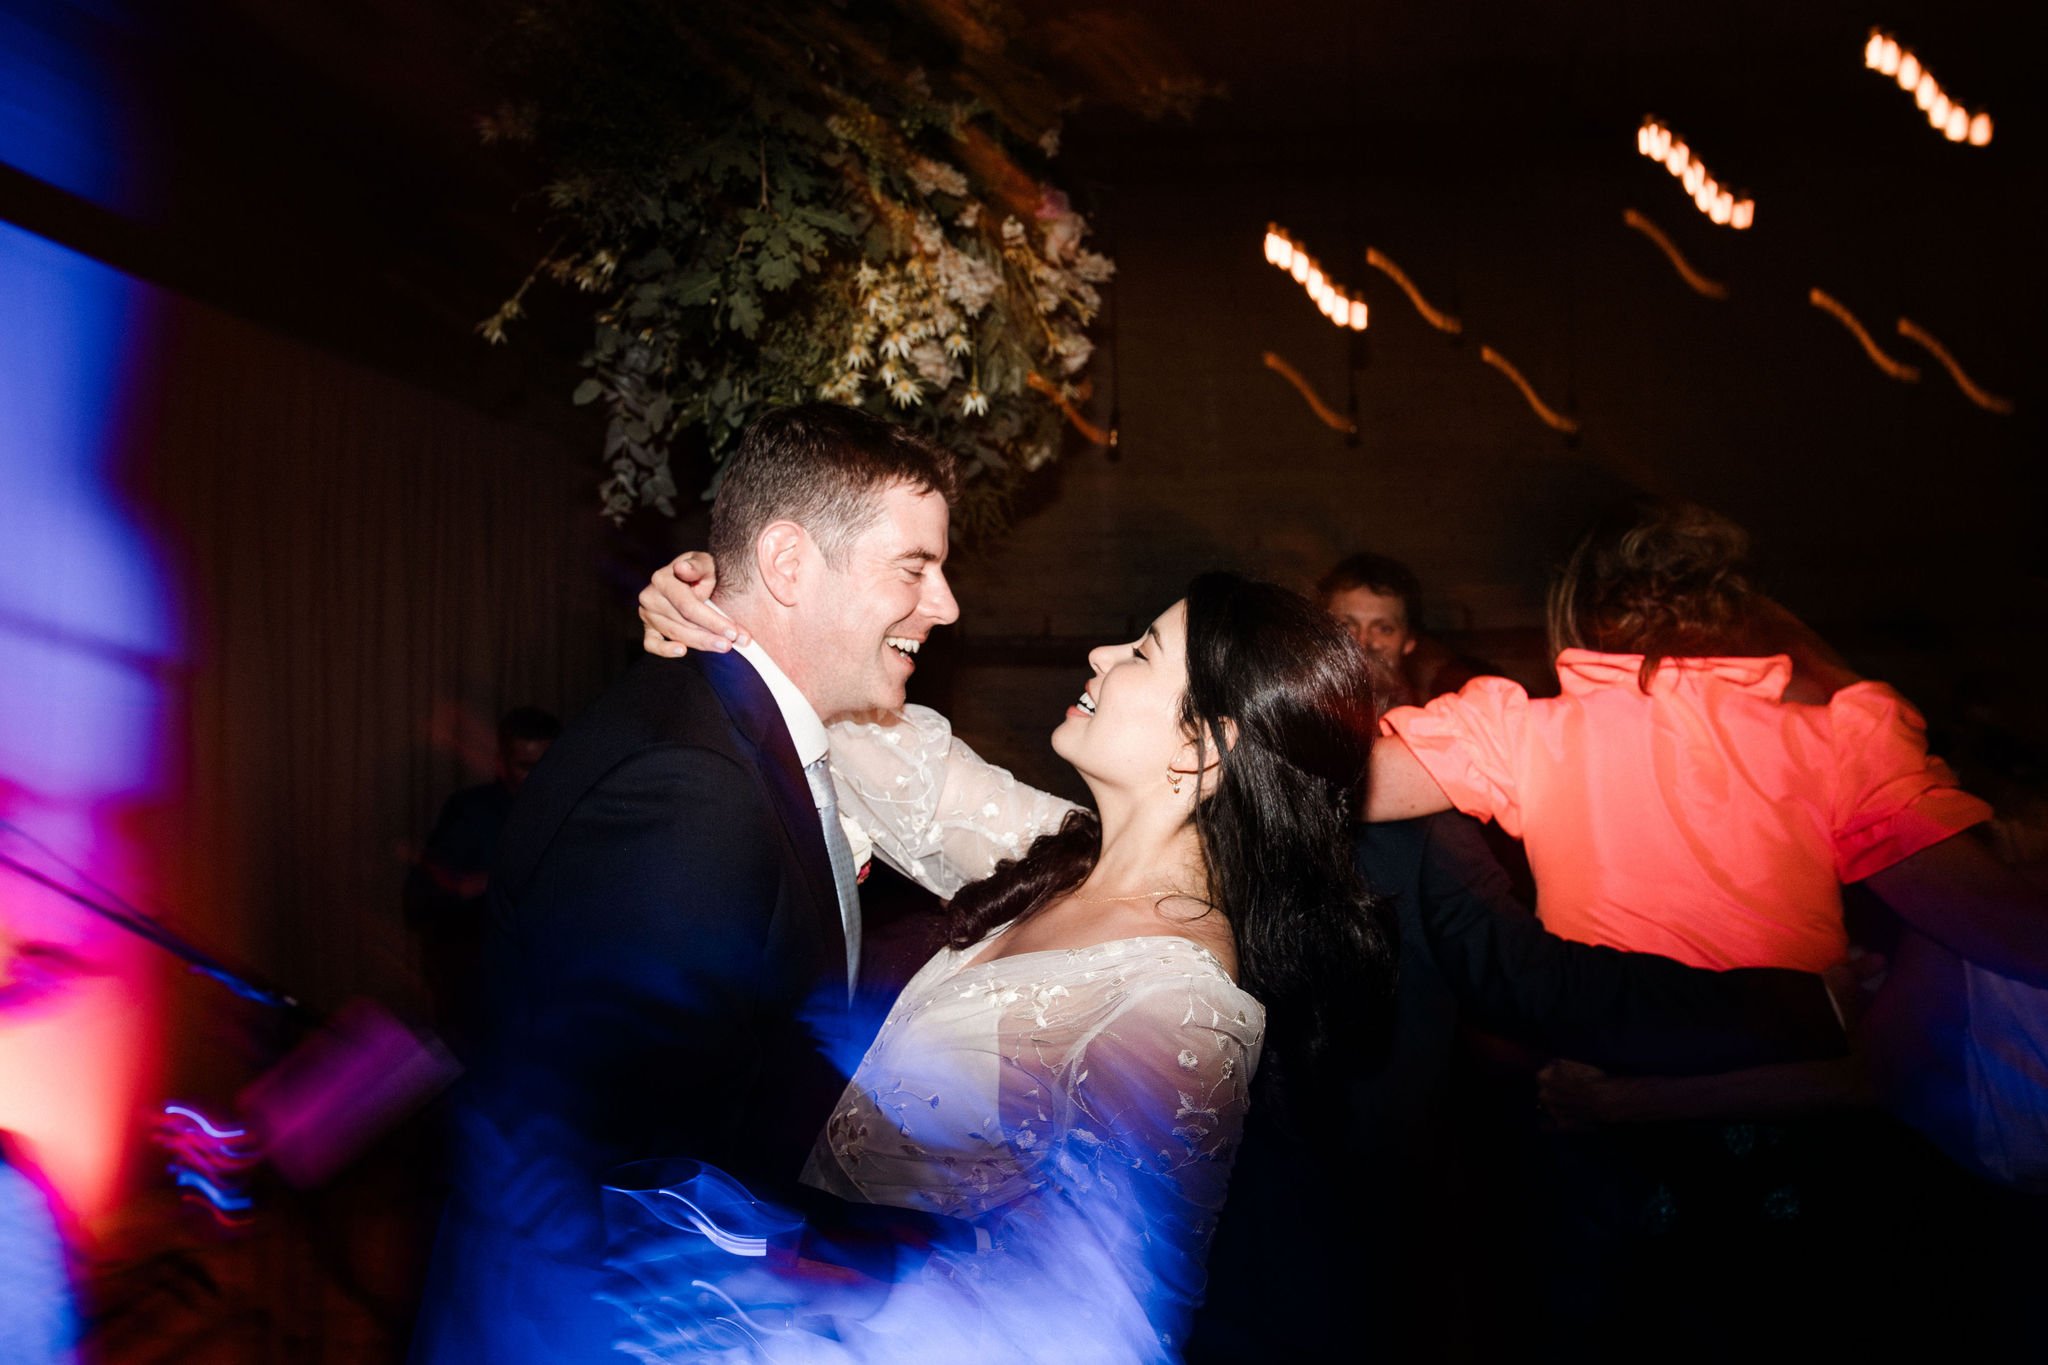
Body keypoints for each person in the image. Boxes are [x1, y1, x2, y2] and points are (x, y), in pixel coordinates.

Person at [638, 553, 1855, 1359]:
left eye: (1136, 657)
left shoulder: (1182, 1006)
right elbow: (875, 748)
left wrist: (785, 1270)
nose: (1096, 659)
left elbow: (1107, 1311)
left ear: (1199, 754)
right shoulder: (1052, 851)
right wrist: (722, 618)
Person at [409, 404, 972, 1364]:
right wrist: (876, 1264)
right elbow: (634, 1162)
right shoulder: (694, 784)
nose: (947, 603)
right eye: (915, 568)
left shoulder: (739, 731)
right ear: (790, 564)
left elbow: (730, 1063)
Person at [1366, 500, 2048, 986]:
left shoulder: (1519, 731)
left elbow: (1343, 782)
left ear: (1576, 611)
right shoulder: (1839, 741)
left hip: (1614, 1089)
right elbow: (2003, 928)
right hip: (1787, 1115)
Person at [404, 706, 560, 1051]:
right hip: (482, 995)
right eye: (525, 766)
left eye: (548, 766)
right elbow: (419, 899)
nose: (538, 778)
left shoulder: (577, 810)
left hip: (552, 996)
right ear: (501, 765)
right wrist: (484, 884)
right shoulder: (471, 813)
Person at [1317, 551, 1490, 707]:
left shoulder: (1436, 718)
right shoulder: (1298, 717)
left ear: (1409, 641)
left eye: (1384, 629)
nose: (1363, 642)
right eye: (1345, 626)